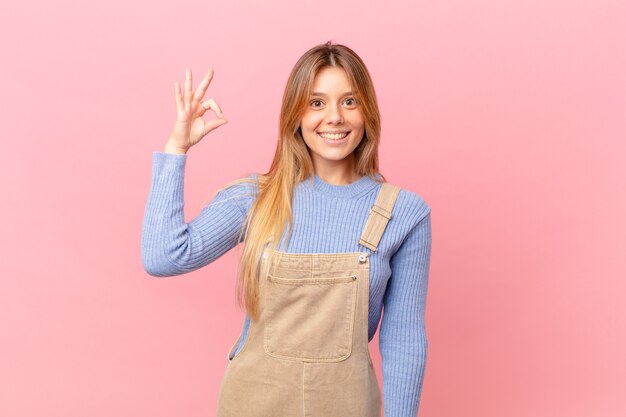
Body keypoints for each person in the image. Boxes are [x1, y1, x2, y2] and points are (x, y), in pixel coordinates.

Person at [141, 41, 432, 417]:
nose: (334, 117)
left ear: (367, 112)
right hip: (252, 403)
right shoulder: (256, 198)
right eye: (316, 103)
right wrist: (175, 149)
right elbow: (163, 256)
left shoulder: (404, 213)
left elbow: (404, 343)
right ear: (295, 114)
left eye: (349, 101)